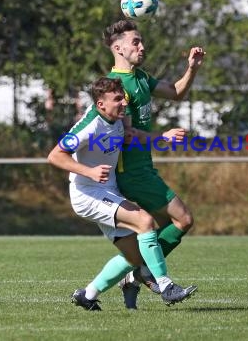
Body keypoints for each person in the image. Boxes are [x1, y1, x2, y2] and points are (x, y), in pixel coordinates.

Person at [47, 76, 197, 311]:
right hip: (88, 194)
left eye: (124, 98)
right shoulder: (91, 126)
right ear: (100, 105)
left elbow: (134, 136)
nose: (123, 104)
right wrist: (90, 171)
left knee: (135, 257)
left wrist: (163, 137)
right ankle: (166, 286)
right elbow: (55, 155)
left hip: (107, 191)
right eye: (117, 99)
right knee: (144, 221)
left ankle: (87, 294)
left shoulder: (117, 120)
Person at [102, 20, 206, 309]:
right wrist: (163, 137)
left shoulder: (141, 78)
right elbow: (128, 134)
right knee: (183, 219)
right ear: (118, 47)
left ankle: (133, 273)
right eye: (135, 42)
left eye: (141, 41)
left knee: (161, 229)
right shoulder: (116, 85)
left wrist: (192, 68)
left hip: (144, 169)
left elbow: (175, 92)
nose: (142, 47)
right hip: (131, 173)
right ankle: (143, 272)